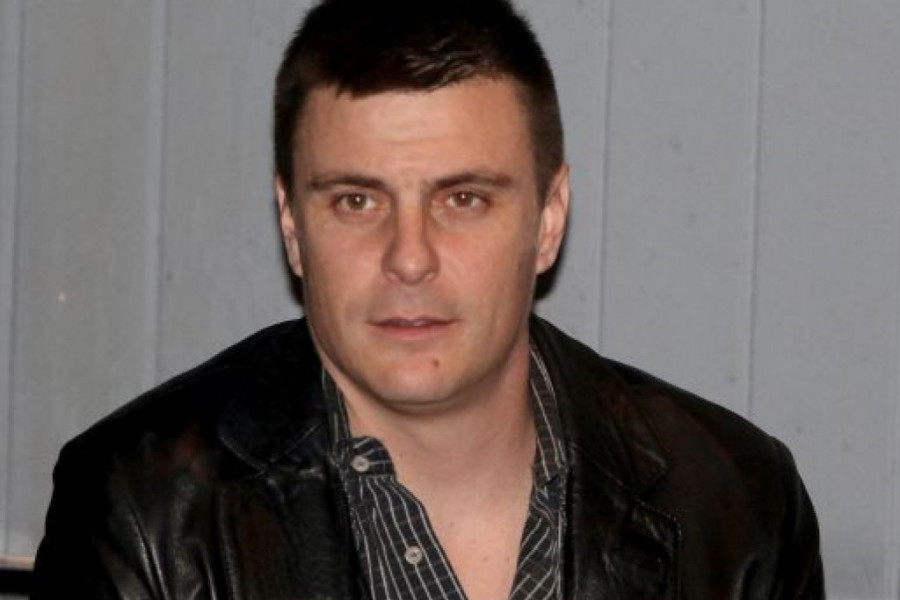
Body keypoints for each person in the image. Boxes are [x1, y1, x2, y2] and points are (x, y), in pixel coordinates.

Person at [31, 0, 824, 597]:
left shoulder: (738, 505)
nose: (408, 258)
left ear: (548, 219)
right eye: (356, 201)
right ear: (292, 225)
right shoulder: (141, 512)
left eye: (463, 199)